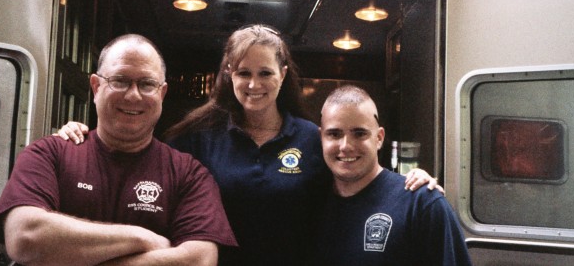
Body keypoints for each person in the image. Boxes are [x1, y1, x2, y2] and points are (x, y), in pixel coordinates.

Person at [56, 24, 440, 266]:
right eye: (243, 73)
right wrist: (82, 135)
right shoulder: (197, 138)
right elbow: (136, 154)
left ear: (283, 75)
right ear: (228, 75)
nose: (254, 84)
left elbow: (358, 178)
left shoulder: (312, 138)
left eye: (265, 73)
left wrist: (413, 185)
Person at [0, 34, 237, 266]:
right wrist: (141, 238)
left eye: (147, 84)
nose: (133, 95)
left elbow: (199, 260)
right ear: (96, 87)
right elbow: (25, 237)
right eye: (120, 81)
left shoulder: (189, 174)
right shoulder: (49, 153)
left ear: (162, 93)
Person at [315, 85, 472, 266]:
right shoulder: (309, 201)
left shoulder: (422, 204)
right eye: (334, 134)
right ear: (321, 138)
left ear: (379, 138)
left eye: (359, 134)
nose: (345, 146)